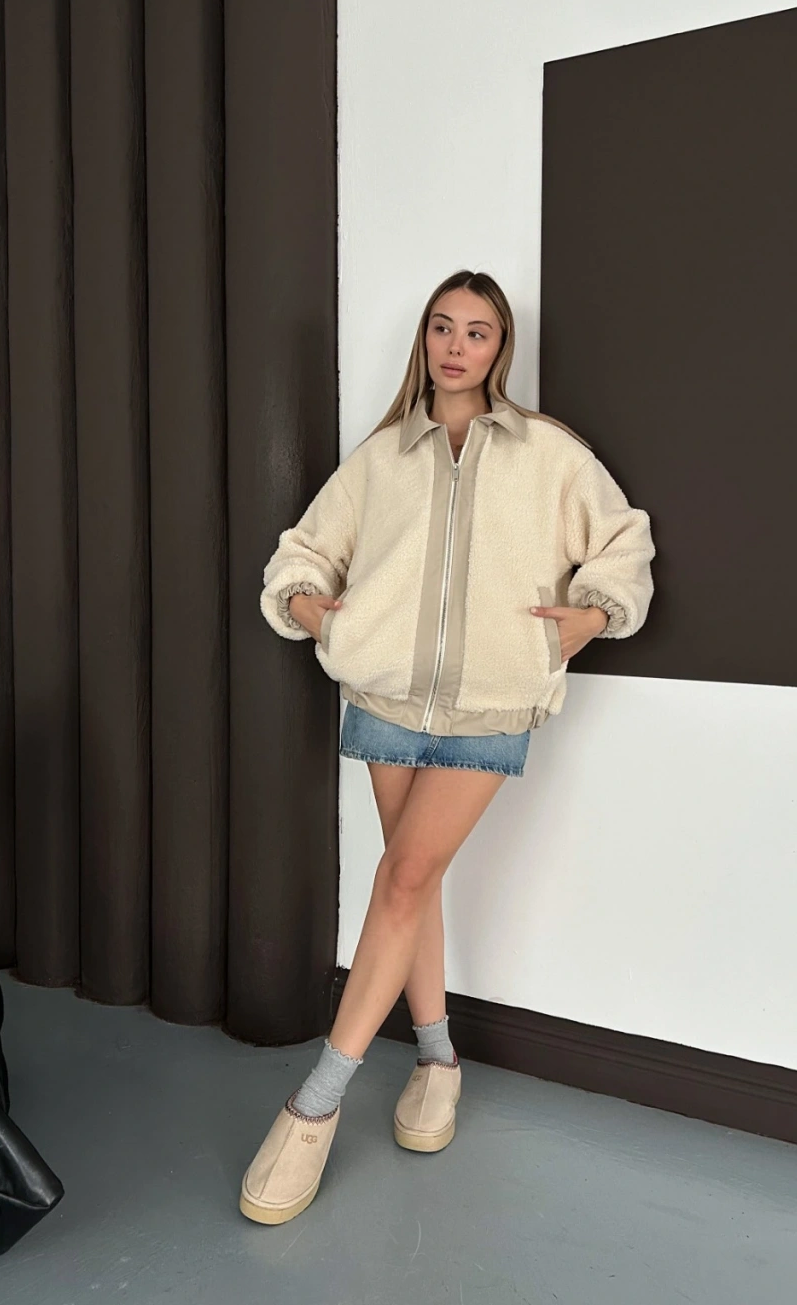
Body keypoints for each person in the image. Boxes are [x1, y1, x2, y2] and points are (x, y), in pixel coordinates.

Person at [239, 269, 655, 1225]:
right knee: (409, 880)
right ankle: (437, 1060)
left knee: (402, 879)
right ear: (424, 340)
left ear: (501, 347)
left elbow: (624, 544)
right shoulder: (382, 456)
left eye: (478, 330)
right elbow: (303, 550)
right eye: (442, 326)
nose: (457, 345)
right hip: (386, 695)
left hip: (491, 704)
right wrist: (319, 612)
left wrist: (588, 618)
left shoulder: (549, 453)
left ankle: (315, 1106)